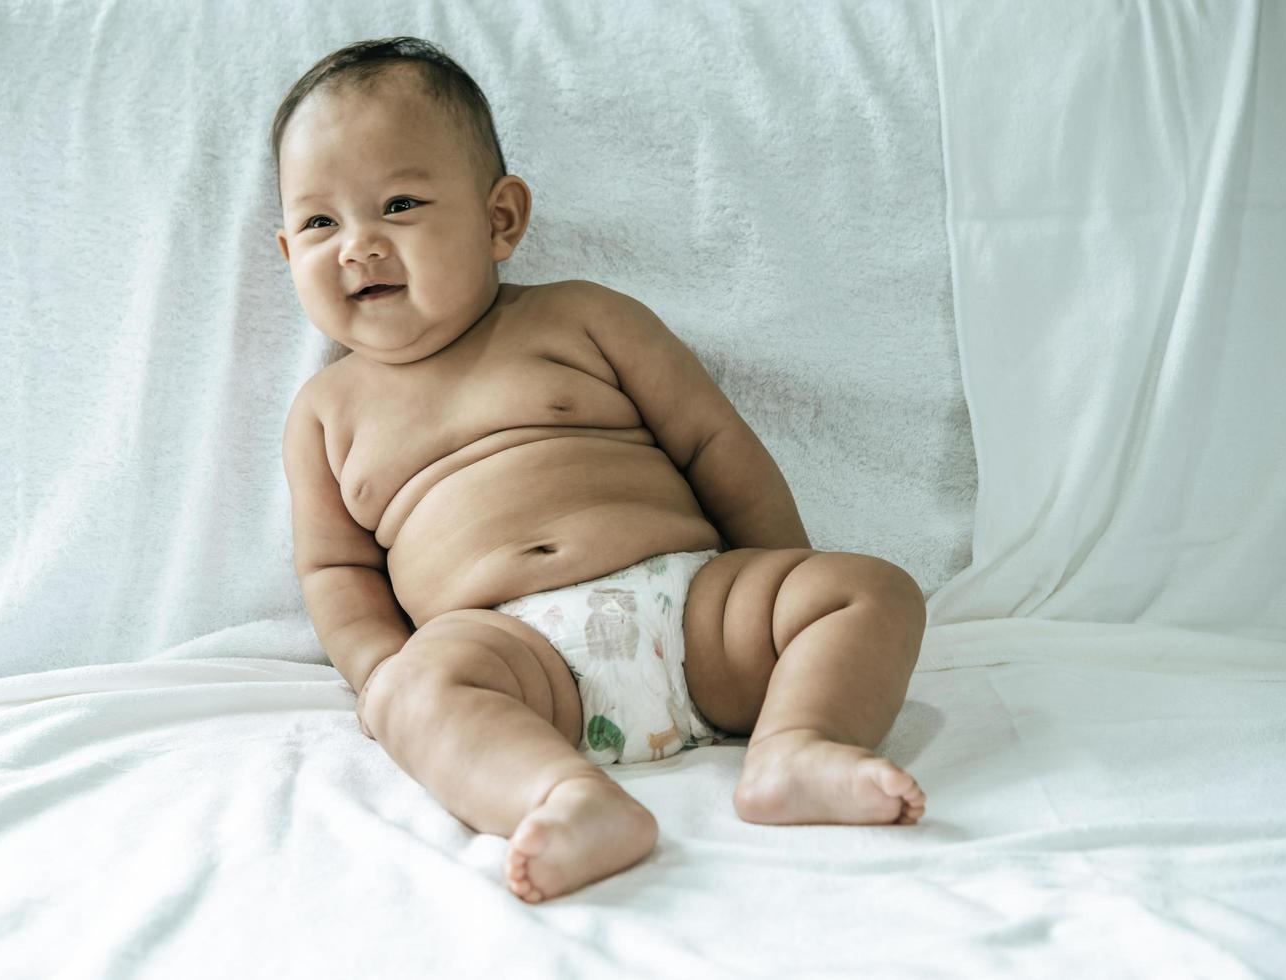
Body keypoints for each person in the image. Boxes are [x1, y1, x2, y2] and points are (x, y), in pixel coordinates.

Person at [274, 37, 928, 905]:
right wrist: (385, 671)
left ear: (500, 219)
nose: (358, 246)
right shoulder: (325, 412)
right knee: (413, 695)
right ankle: (566, 796)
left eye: (398, 204)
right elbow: (337, 569)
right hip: (516, 661)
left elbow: (714, 446)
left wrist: (781, 590)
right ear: (287, 254)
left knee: (869, 590)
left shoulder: (583, 319)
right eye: (321, 223)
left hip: (694, 614)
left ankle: (796, 745)